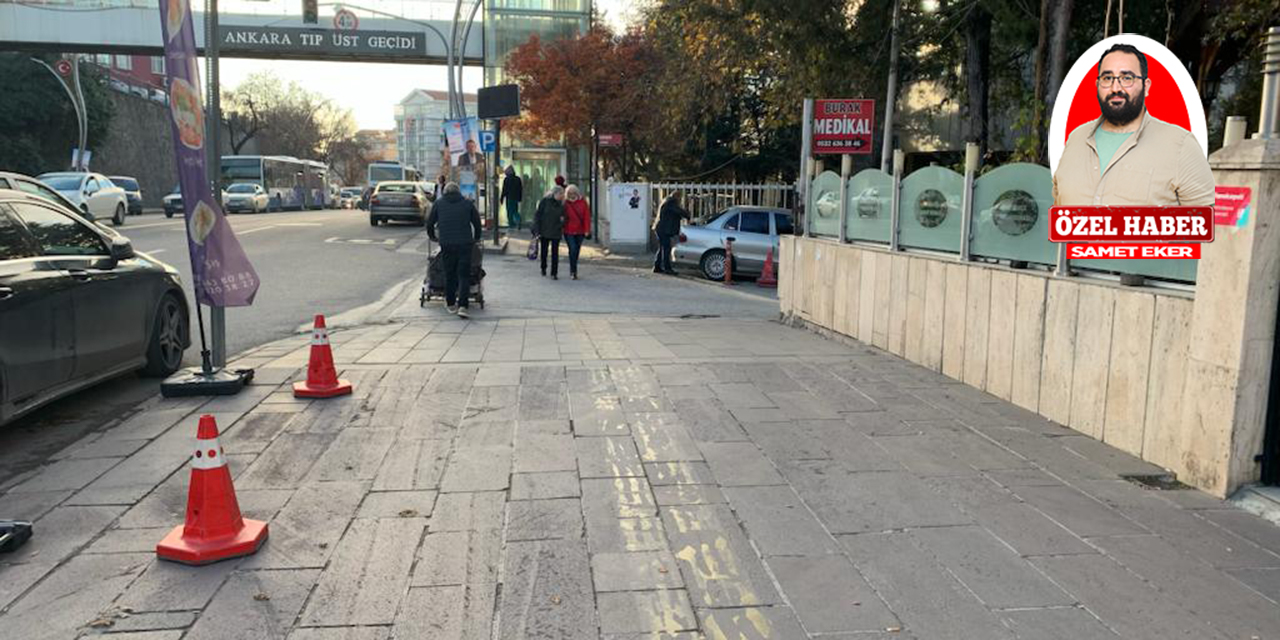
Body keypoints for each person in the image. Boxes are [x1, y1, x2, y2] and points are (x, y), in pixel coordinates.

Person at [1053, 43, 1214, 207]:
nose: (1116, 88)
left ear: (1146, 87)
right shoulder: (1075, 139)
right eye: (1107, 78)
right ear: (1097, 86)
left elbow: (1205, 226)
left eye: (1127, 78)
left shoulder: (1181, 146)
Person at [425, 182, 483, 319]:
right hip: (465, 244)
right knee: (463, 274)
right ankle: (463, 306)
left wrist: (433, 236)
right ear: (458, 192)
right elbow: (477, 223)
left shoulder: (439, 204)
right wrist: (476, 238)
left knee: (449, 273)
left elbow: (430, 223)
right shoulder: (467, 204)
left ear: (445, 192)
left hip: (447, 244)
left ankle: (451, 303)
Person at [653, 191, 690, 275]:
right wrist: (687, 215)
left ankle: (657, 266)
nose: (680, 200)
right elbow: (680, 212)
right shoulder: (671, 203)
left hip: (660, 228)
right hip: (663, 229)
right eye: (679, 198)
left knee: (662, 248)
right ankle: (667, 268)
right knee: (666, 248)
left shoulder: (667, 201)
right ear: (677, 197)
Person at [533, 186, 566, 279]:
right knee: (544, 251)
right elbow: (538, 215)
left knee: (555, 252)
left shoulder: (562, 204)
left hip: (556, 230)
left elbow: (564, 216)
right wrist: (537, 229)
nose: (562, 196)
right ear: (555, 194)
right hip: (544, 230)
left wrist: (562, 223)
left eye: (562, 194)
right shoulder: (544, 202)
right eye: (560, 194)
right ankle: (543, 267)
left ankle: (554, 272)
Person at [563, 184, 592, 280]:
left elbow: (586, 217)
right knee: (572, 249)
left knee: (576, 250)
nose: (571, 195)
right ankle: (573, 271)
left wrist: (587, 230)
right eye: (569, 193)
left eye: (573, 193)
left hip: (580, 231)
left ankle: (574, 268)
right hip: (568, 230)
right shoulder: (565, 203)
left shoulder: (582, 202)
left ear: (577, 193)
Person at [501, 166, 523, 230]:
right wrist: (520, 198)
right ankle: (518, 219)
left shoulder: (507, 179)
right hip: (516, 198)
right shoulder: (518, 179)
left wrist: (502, 198)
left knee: (510, 211)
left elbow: (504, 190)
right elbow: (520, 189)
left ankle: (511, 224)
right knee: (515, 210)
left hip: (509, 197)